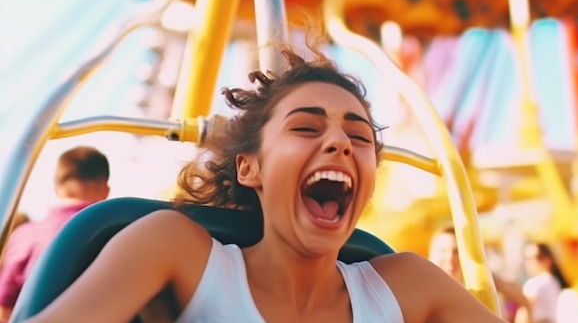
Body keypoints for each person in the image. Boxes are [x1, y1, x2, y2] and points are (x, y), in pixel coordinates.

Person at [23, 40, 505, 322]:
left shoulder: (408, 285)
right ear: (249, 166)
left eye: (358, 137)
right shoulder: (176, 250)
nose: (339, 143)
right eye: (306, 127)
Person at [0, 146, 110, 321]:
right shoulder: (123, 230)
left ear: (57, 188)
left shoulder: (23, 236)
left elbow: (5, 308)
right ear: (106, 189)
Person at [428, 226, 532, 323]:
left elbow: (524, 303)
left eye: (456, 251)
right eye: (443, 251)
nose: (450, 257)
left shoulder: (478, 282)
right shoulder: (425, 290)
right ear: (432, 254)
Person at [521, 242, 569, 323]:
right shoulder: (555, 282)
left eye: (532, 258)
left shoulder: (535, 283)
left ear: (547, 259)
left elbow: (524, 315)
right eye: (526, 259)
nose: (528, 263)